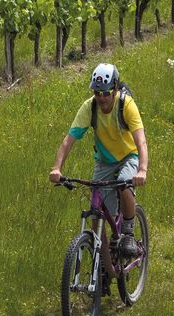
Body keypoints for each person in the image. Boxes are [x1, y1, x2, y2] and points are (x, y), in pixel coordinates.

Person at [49, 62, 150, 271]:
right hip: (104, 161)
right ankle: (105, 267)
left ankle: (129, 234)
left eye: (105, 92)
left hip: (128, 157)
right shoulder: (90, 107)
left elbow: (141, 141)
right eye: (97, 92)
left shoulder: (126, 105)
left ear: (114, 89)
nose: (101, 97)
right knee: (97, 217)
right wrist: (56, 168)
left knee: (123, 185)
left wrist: (142, 170)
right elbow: (69, 140)